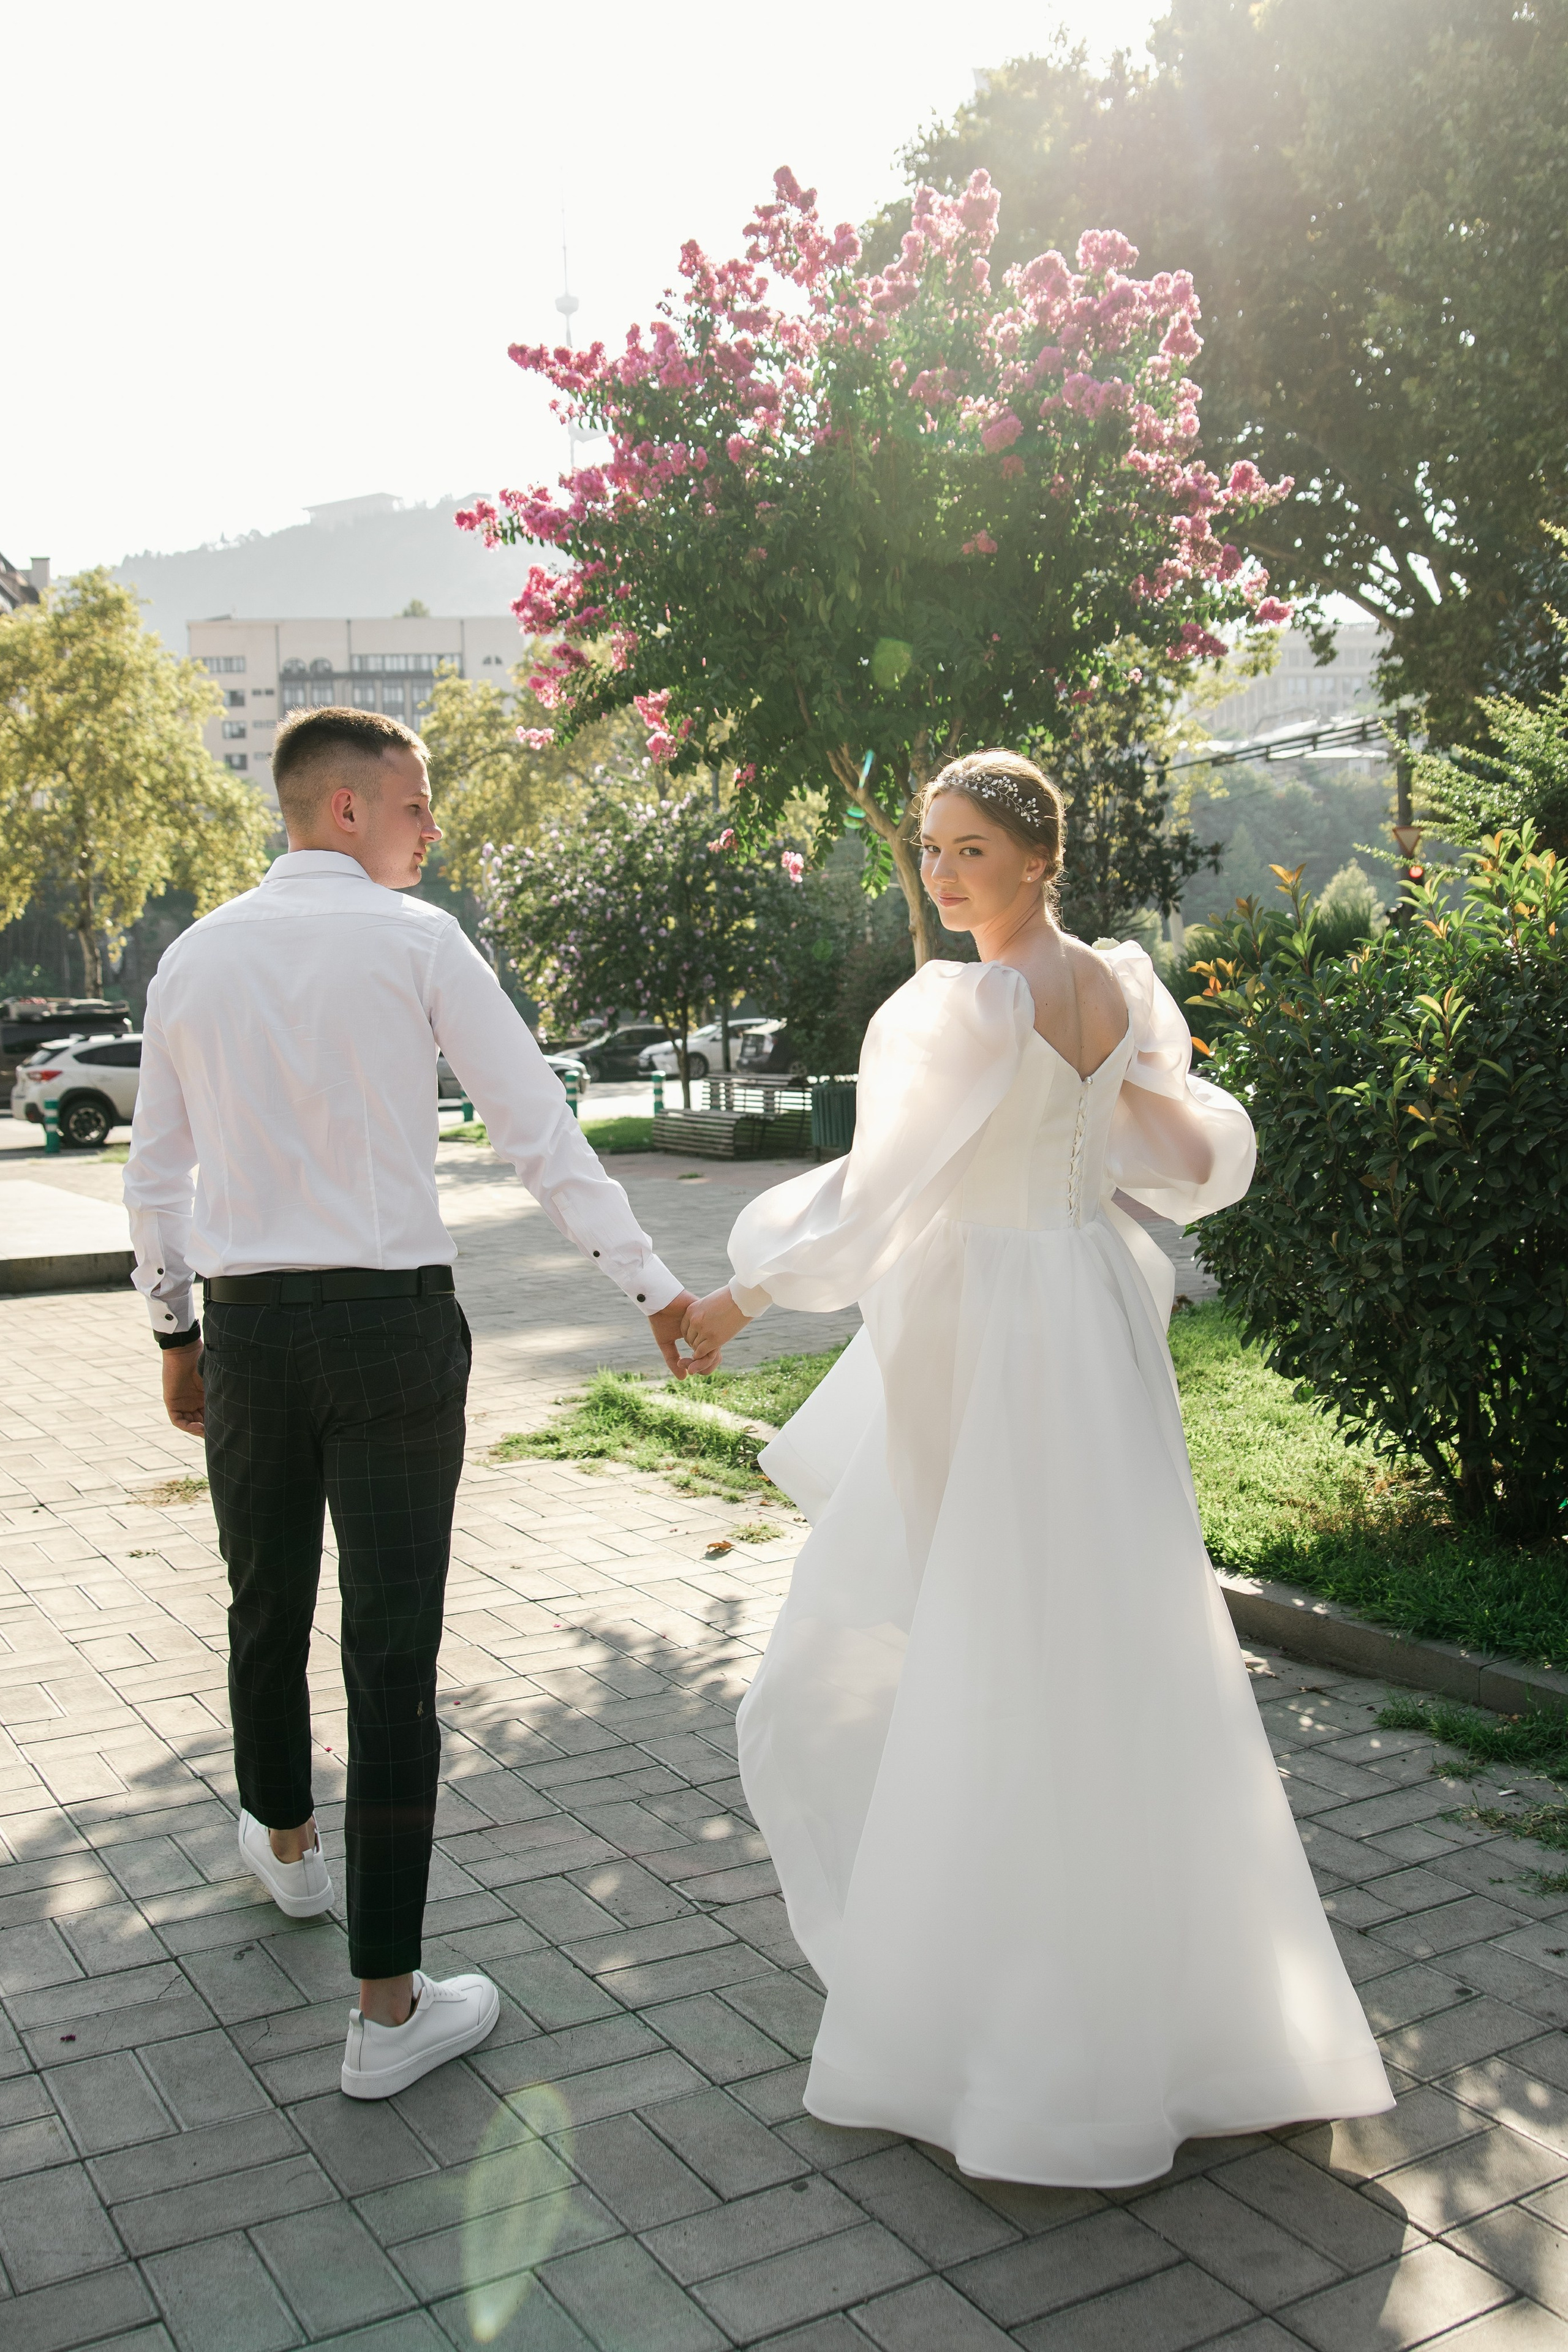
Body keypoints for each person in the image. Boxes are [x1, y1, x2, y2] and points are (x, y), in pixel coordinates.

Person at [680, 750, 1392, 2187]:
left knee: (980, 1639)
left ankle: (1011, 2023)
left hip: (987, 1324)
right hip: (1085, 1313)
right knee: (1109, 1639)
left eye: (970, 854)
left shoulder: (966, 1004)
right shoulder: (1115, 981)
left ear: (1033, 858)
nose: (943, 877)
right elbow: (1177, 1146)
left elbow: (880, 1193)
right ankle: (1189, 2015)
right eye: (932, 851)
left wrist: (737, 1300)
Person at [124, 706, 705, 2102]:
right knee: (390, 1660)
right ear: (343, 809)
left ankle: (280, 1848)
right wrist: (653, 1288)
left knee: (262, 1599)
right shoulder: (419, 940)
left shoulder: (193, 958)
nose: (429, 829)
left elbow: (157, 1176)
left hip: (250, 1329)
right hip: (389, 1331)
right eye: (415, 806)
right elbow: (535, 1132)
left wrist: (175, 1336)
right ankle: (385, 2012)